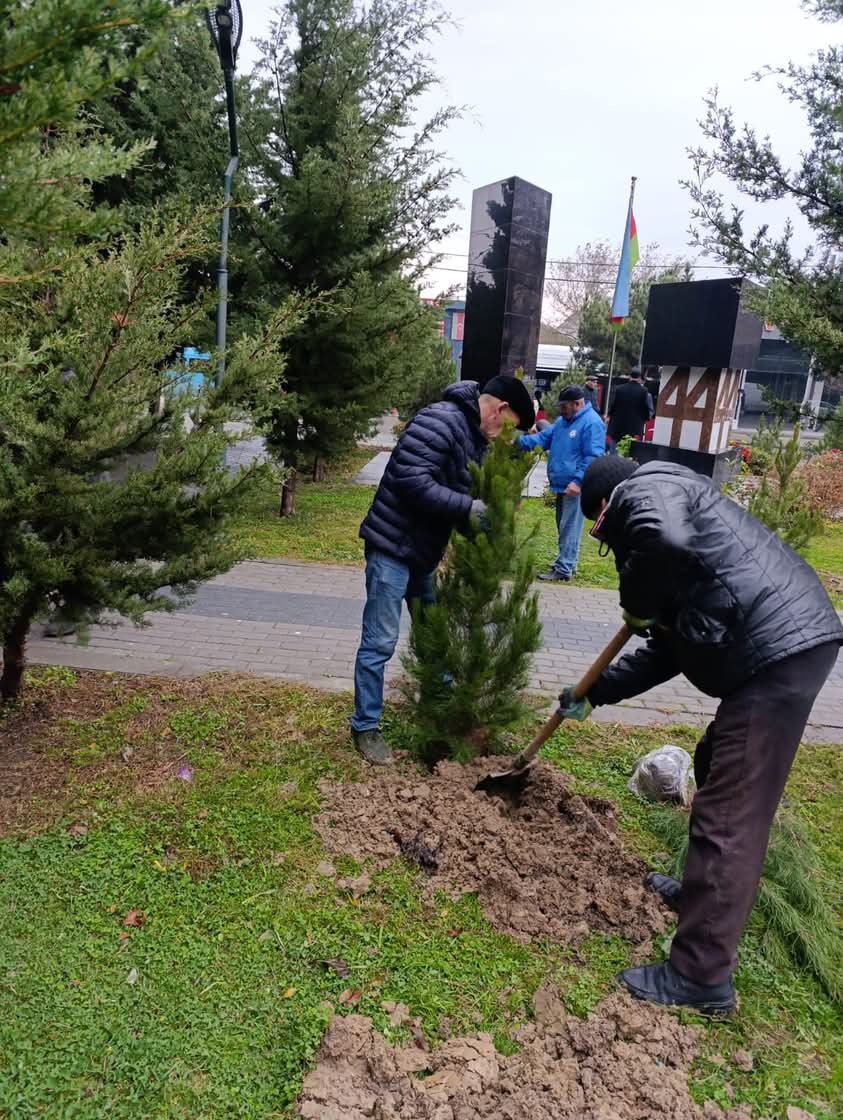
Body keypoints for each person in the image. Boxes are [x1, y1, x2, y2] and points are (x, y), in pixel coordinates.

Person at [557, 455, 842, 1016]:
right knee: (715, 766)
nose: (612, 549)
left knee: (729, 815)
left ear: (605, 510)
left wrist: (636, 603)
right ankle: (698, 894)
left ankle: (700, 975)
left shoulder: (648, 493)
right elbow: (668, 648)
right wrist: (597, 691)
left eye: (602, 532)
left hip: (778, 652)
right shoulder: (679, 533)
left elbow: (657, 541)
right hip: (779, 646)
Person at [351, 376, 535, 764]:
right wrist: (469, 509)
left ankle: (440, 716)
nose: (504, 435)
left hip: (422, 553)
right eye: (508, 426)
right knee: (380, 641)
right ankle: (365, 726)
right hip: (391, 546)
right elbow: (412, 480)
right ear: (499, 409)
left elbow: (459, 494)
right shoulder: (441, 419)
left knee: (435, 636)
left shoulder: (473, 436)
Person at [518, 385, 605, 583]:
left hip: (574, 487)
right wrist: (517, 442)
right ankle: (568, 564)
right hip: (561, 484)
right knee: (563, 525)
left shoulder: (591, 423)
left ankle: (564, 568)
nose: (560, 410)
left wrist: (578, 481)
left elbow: (593, 456)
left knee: (569, 526)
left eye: (564, 406)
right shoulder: (561, 422)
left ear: (577, 403)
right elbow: (542, 439)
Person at [607, 365, 650, 451]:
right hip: (634, 429)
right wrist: (646, 419)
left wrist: (609, 415)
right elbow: (645, 409)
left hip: (618, 428)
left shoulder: (619, 389)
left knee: (614, 453)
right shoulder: (643, 391)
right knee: (630, 453)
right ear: (639, 377)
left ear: (629, 376)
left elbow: (613, 406)